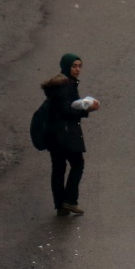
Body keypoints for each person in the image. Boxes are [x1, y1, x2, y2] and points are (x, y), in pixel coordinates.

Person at [42, 53, 99, 215]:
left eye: (80, 66)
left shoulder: (56, 86)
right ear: (67, 66)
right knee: (77, 164)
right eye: (74, 66)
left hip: (53, 135)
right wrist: (86, 110)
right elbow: (67, 110)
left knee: (58, 168)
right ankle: (70, 200)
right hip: (66, 133)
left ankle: (60, 205)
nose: (78, 69)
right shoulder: (66, 86)